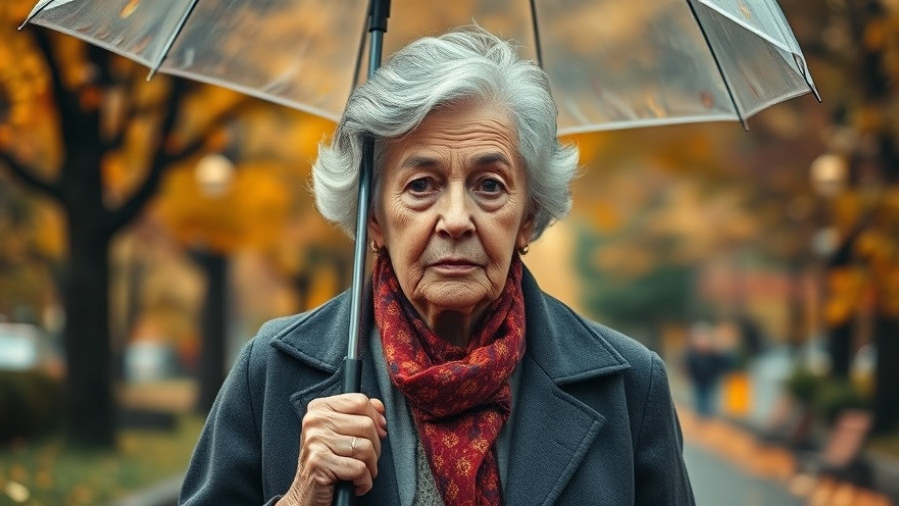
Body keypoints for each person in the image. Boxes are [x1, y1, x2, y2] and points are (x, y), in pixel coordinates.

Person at [180, 27, 694, 506]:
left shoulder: (629, 386)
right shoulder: (272, 369)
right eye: (421, 185)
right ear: (374, 219)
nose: (455, 220)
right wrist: (300, 497)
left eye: (489, 185)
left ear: (528, 217)